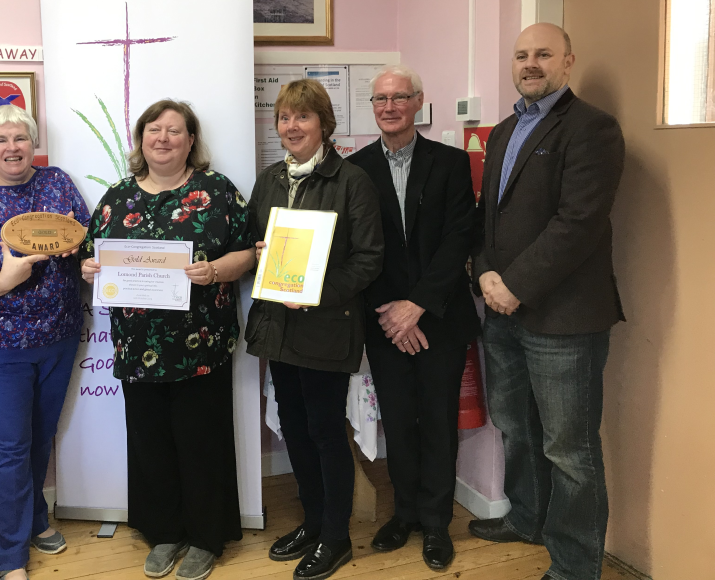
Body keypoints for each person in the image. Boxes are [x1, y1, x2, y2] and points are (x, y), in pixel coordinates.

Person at [469, 23, 625, 580]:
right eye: (521, 55)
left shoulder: (592, 129)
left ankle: (576, 566)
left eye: (543, 54)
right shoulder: (507, 129)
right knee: (515, 423)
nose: (530, 63)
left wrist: (514, 285)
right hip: (503, 311)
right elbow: (490, 218)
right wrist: (485, 273)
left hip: (564, 318)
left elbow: (578, 224)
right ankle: (528, 517)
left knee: (570, 452)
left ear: (568, 62)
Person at [80, 99, 254, 580]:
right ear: (140, 139)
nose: (163, 138)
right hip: (137, 346)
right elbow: (91, 257)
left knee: (202, 442)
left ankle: (205, 538)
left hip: (202, 342)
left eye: (174, 131)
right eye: (154, 130)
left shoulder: (217, 191)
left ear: (191, 141)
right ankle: (164, 533)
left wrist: (218, 269)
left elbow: (251, 252)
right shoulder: (116, 197)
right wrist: (88, 267)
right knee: (150, 442)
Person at [244, 79, 383, 580]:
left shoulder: (352, 181)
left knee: (326, 432)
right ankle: (312, 521)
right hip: (279, 328)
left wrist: (313, 290)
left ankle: (337, 536)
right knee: (295, 430)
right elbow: (255, 242)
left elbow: (369, 261)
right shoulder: (269, 180)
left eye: (302, 117)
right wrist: (259, 256)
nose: (292, 126)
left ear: (324, 123)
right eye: (284, 117)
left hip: (326, 328)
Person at [0, 105, 90, 580]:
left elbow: (86, 235)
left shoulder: (57, 183)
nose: (12, 148)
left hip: (58, 336)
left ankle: (33, 520)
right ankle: (9, 558)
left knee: (38, 438)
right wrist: (6, 280)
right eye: (1, 139)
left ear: (33, 142)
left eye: (21, 138)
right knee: (7, 450)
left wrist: (77, 246)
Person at [346, 65, 481, 571]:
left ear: (418, 102)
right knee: (398, 421)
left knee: (439, 422)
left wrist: (416, 306)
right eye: (381, 99)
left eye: (400, 97)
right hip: (385, 321)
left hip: (439, 318)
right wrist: (391, 314)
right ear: (373, 107)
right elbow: (361, 249)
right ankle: (403, 513)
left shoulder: (449, 162)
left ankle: (436, 522)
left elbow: (457, 240)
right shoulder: (356, 168)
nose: (389, 106)